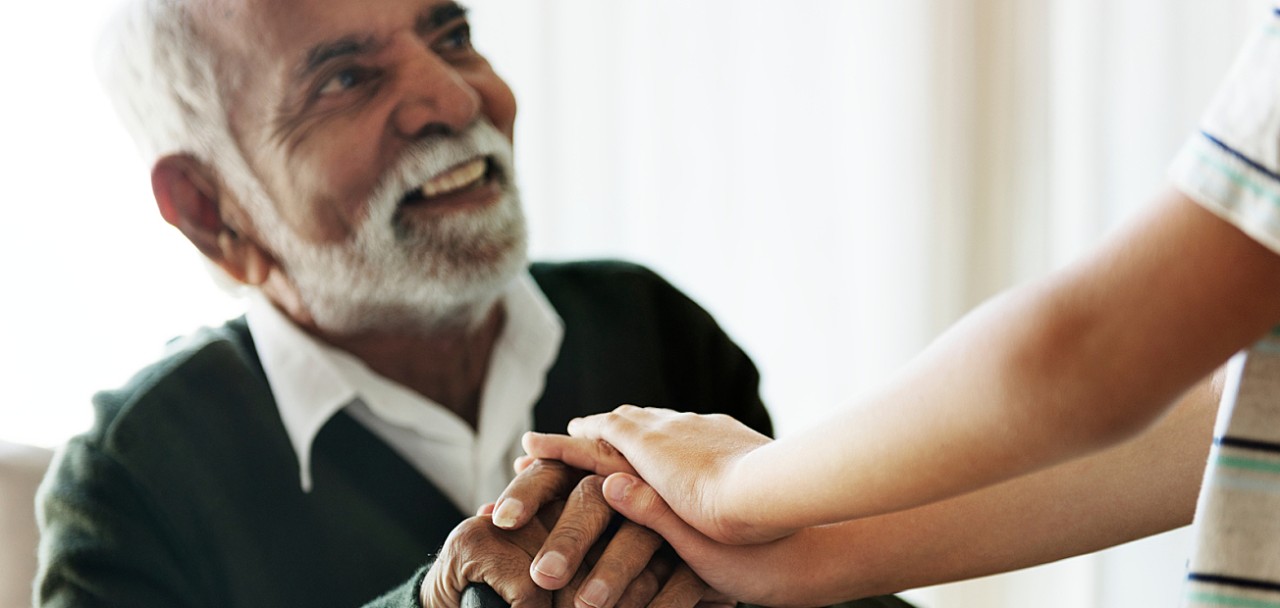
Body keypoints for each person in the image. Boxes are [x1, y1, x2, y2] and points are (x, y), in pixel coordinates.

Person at [34, 1, 915, 608]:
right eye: (345, 79)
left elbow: (835, 585)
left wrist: (762, 584)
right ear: (208, 208)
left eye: (450, 33)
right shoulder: (131, 481)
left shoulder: (649, 325)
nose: (458, 100)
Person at [514, 4, 1280, 607]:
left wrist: (737, 488)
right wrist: (809, 558)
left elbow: (1091, 356)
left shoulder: (644, 318)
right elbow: (1231, 410)